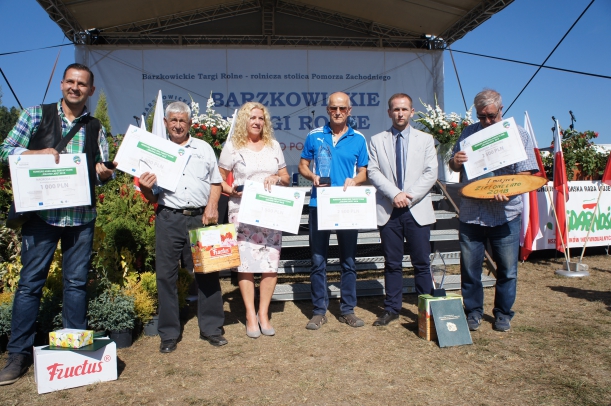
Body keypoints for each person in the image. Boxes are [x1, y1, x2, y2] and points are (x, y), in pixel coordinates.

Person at [0, 63, 115, 385]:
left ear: (91, 90)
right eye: (71, 82)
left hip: (80, 218)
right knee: (30, 284)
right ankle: (17, 355)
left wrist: (105, 174)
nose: (75, 87)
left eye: (82, 84)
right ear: (62, 84)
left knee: (76, 284)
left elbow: (100, 171)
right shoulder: (35, 115)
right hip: (42, 217)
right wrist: (35, 153)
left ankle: (73, 351)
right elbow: (4, 149)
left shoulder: (95, 127)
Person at [448, 89, 538, 332]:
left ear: (501, 109)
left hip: (506, 212)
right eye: (481, 116)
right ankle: (473, 312)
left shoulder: (519, 134)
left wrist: (507, 190)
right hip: (472, 213)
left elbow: (526, 172)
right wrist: (455, 161)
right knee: (470, 269)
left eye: (491, 115)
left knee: (507, 270)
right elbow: (453, 164)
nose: (487, 121)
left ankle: (503, 313)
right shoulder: (468, 133)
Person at [139, 101, 226, 352]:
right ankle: (168, 333)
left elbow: (216, 182)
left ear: (190, 123)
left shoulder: (204, 148)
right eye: (173, 120)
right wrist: (145, 187)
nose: (178, 125)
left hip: (201, 217)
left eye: (182, 121)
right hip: (169, 217)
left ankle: (211, 328)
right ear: (165, 123)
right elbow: (152, 196)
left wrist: (212, 206)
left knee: (207, 272)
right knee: (166, 276)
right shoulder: (157, 152)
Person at [217, 102, 290, 338]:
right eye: (252, 118)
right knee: (246, 264)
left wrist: (276, 178)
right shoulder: (232, 146)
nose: (257, 122)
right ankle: (250, 315)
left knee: (270, 264)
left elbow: (286, 177)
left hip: (271, 212)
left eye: (260, 118)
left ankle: (263, 314)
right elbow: (218, 179)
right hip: (242, 211)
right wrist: (231, 190)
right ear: (244, 121)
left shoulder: (273, 146)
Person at [298, 91, 369, 330]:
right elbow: (303, 165)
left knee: (348, 260)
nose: (337, 112)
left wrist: (355, 180)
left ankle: (347, 310)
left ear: (349, 110)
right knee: (318, 261)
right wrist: (313, 176)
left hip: (346, 206)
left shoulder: (358, 138)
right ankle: (319, 311)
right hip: (319, 205)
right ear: (327, 110)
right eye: (333, 108)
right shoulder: (314, 135)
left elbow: (364, 172)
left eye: (342, 108)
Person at [367, 93, 438, 326]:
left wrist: (408, 197)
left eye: (404, 109)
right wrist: (394, 194)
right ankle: (392, 308)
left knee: (421, 263)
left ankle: (427, 309)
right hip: (389, 210)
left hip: (416, 208)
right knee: (392, 263)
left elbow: (431, 172)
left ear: (412, 112)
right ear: (389, 112)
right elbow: (373, 171)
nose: (400, 113)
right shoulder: (377, 140)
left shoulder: (425, 140)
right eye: (396, 109)